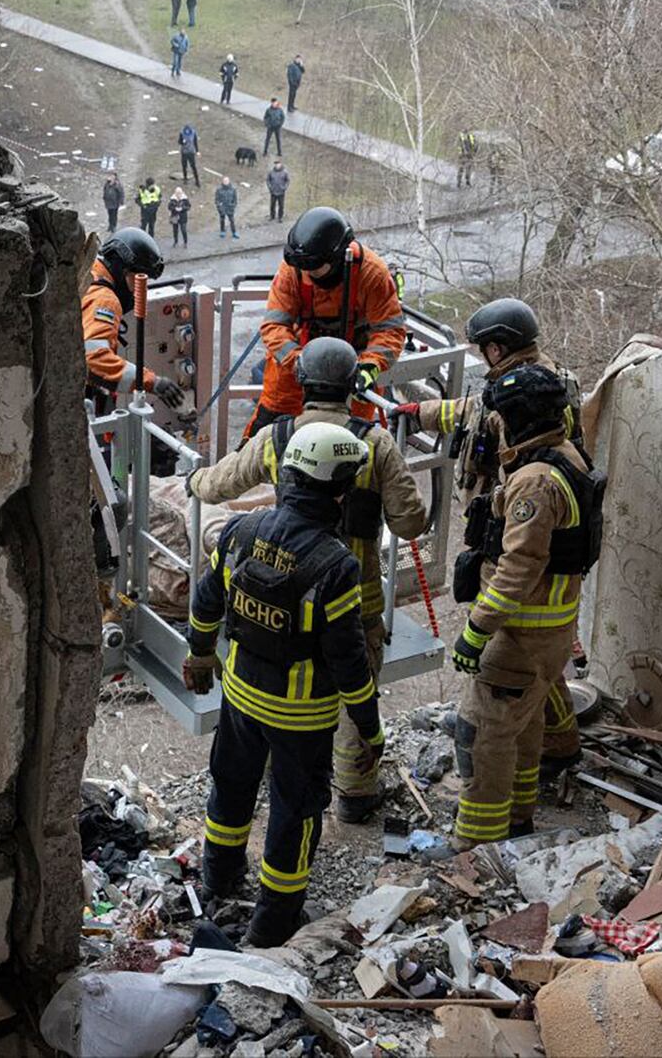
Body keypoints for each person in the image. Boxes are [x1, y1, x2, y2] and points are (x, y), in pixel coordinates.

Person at [188, 338, 428, 823]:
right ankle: (357, 794)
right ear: (350, 386)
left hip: (289, 590)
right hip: (355, 599)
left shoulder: (278, 437)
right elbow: (410, 523)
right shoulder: (375, 442)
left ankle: (278, 778)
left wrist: (193, 480)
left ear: (303, 384)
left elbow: (218, 484)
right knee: (355, 689)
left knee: (282, 684)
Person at [185, 422, 384, 947]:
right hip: (301, 717)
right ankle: (273, 923)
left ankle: (219, 879)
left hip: (241, 696)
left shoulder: (239, 532)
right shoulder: (335, 566)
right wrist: (370, 730)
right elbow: (349, 664)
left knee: (231, 783)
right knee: (295, 812)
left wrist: (201, 654)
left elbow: (206, 603)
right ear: (338, 489)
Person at [390, 298, 585, 776]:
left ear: (498, 349)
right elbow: (473, 411)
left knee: (496, 703)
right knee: (540, 675)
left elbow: (520, 562)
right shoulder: (537, 383)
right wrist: (422, 413)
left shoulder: (526, 411)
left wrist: (476, 630)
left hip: (518, 547)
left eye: (483, 349)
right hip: (542, 577)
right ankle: (560, 750)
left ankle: (481, 830)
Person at [440, 366, 601, 849]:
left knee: (482, 734)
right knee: (525, 725)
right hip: (548, 634)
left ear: (518, 419)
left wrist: (476, 628)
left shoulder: (534, 482)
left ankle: (476, 841)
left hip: (519, 635)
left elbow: (520, 566)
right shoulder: (567, 454)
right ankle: (517, 820)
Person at [246, 206, 404, 441]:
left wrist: (370, 365)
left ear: (337, 257)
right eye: (303, 269)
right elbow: (274, 327)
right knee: (268, 426)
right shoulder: (295, 269)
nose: (307, 274)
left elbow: (389, 330)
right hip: (300, 360)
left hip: (354, 366)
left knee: (350, 437)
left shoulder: (371, 274)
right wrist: (297, 362)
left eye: (314, 269)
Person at [81, 228, 185, 411]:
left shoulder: (88, 272)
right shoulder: (105, 299)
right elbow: (93, 360)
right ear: (122, 270)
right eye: (136, 280)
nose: (138, 291)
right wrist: (153, 382)